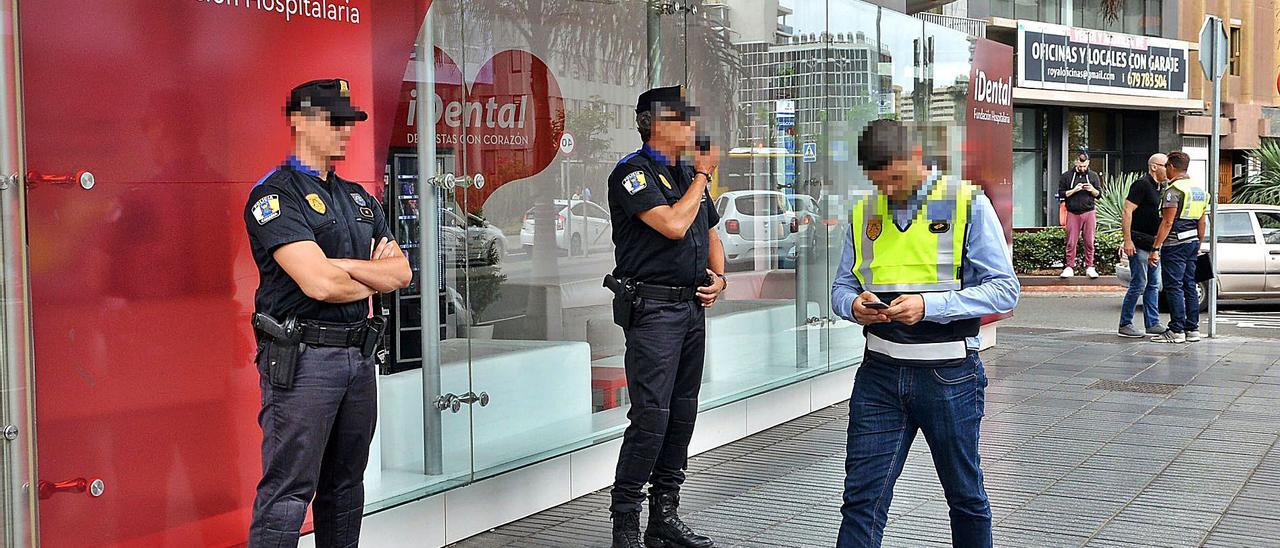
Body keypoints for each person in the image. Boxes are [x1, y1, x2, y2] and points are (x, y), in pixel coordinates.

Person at [831, 119, 1019, 548]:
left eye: (896, 178)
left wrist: (929, 307)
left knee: (965, 498)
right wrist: (853, 306)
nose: (890, 190)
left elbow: (1006, 290)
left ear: (917, 157)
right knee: (861, 499)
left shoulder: (967, 204)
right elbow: (843, 286)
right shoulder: (864, 212)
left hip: (949, 375)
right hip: (878, 374)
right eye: (880, 183)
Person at [243, 79, 412, 547]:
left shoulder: (359, 198)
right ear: (298, 120)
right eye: (333, 120)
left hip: (359, 357)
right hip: (304, 361)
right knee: (289, 493)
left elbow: (400, 274)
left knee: (345, 488)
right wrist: (360, 274)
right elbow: (319, 283)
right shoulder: (275, 196)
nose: (345, 130)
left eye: (349, 122)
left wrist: (341, 266)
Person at [605, 85, 725, 548]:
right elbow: (674, 225)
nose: (694, 127)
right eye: (685, 119)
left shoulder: (685, 174)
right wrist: (702, 178)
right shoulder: (633, 174)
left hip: (691, 308)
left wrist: (719, 278)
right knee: (652, 417)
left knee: (682, 415)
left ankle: (664, 517)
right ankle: (626, 526)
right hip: (653, 311)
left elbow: (708, 229)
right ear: (658, 124)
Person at [1149, 151, 1209, 343]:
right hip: (1192, 243)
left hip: (1174, 244)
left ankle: (1176, 330)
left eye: (1166, 166)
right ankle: (1192, 329)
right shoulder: (1199, 190)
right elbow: (1202, 221)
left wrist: (1156, 248)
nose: (1165, 169)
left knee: (1174, 286)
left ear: (1172, 167)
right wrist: (1198, 243)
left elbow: (1167, 223)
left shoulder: (1173, 191)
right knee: (1189, 284)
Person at [1118, 153, 1168, 338]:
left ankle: (1152, 322)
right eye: (1165, 165)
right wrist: (1128, 240)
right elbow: (1127, 211)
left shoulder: (1159, 187)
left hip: (1152, 243)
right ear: (1154, 166)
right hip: (1138, 242)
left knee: (1153, 284)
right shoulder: (1142, 184)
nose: (1167, 169)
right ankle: (1125, 323)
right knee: (1139, 283)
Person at [1058, 153, 1102, 278]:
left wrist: (1092, 189)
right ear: (1076, 162)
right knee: (1071, 241)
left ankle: (1090, 266)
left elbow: (1099, 194)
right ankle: (1069, 266)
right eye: (1080, 166)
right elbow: (1061, 193)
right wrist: (1074, 190)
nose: (1082, 168)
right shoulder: (1066, 176)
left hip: (1089, 212)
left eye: (1085, 166)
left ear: (1088, 163)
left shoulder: (1093, 176)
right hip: (1072, 212)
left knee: (1089, 241)